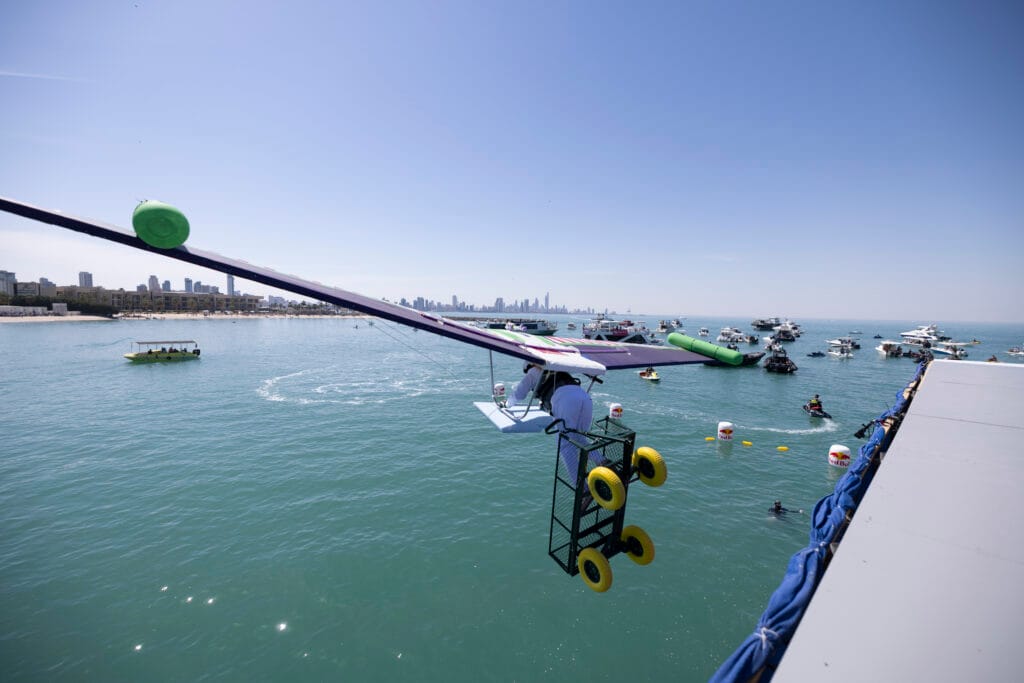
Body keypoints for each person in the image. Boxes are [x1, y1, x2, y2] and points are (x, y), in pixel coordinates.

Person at [509, 363, 598, 489]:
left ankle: (582, 489)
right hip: (584, 397)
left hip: (565, 399)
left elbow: (519, 394)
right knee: (579, 437)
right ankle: (602, 461)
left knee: (565, 444)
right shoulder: (557, 368)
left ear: (528, 366)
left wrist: (506, 404)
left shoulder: (533, 371)